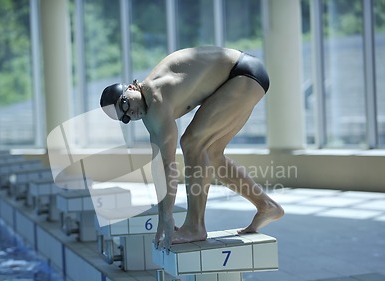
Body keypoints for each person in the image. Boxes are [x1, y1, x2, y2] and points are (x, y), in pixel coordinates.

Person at [100, 46, 284, 251]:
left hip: (241, 73)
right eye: (124, 118)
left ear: (132, 88)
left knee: (192, 143)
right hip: (241, 77)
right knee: (211, 154)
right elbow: (159, 166)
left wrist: (167, 216)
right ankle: (266, 206)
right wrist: (163, 217)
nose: (130, 114)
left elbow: (169, 166)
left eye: (125, 105)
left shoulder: (155, 94)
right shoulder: (149, 113)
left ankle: (195, 225)